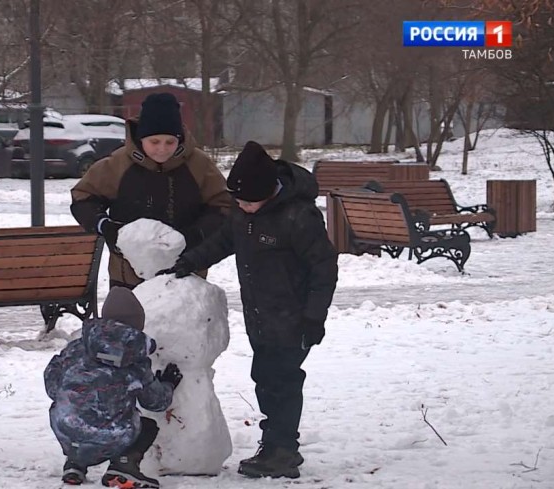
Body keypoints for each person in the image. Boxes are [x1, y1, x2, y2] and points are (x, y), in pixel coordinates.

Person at [158, 141, 338, 479]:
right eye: (238, 201)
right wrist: (190, 262)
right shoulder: (243, 211)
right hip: (260, 316)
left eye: (249, 202)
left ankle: (282, 451)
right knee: (265, 378)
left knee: (282, 381)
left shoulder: (298, 217)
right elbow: (225, 240)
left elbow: (324, 269)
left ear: (270, 192)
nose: (242, 207)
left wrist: (314, 318)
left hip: (294, 318)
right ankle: (275, 444)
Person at [70, 92, 232, 289]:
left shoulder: (199, 165)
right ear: (141, 138)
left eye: (170, 142)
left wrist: (196, 234)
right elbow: (83, 197)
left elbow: (223, 205)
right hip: (127, 273)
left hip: (185, 272)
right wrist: (106, 227)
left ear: (180, 139)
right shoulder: (117, 164)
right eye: (154, 142)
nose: (162, 149)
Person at [44, 287, 184, 488]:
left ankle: (75, 465)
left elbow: (52, 385)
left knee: (77, 413)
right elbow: (156, 403)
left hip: (66, 433)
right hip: (111, 439)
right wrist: (168, 384)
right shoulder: (135, 361)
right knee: (147, 426)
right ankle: (124, 464)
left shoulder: (76, 348)